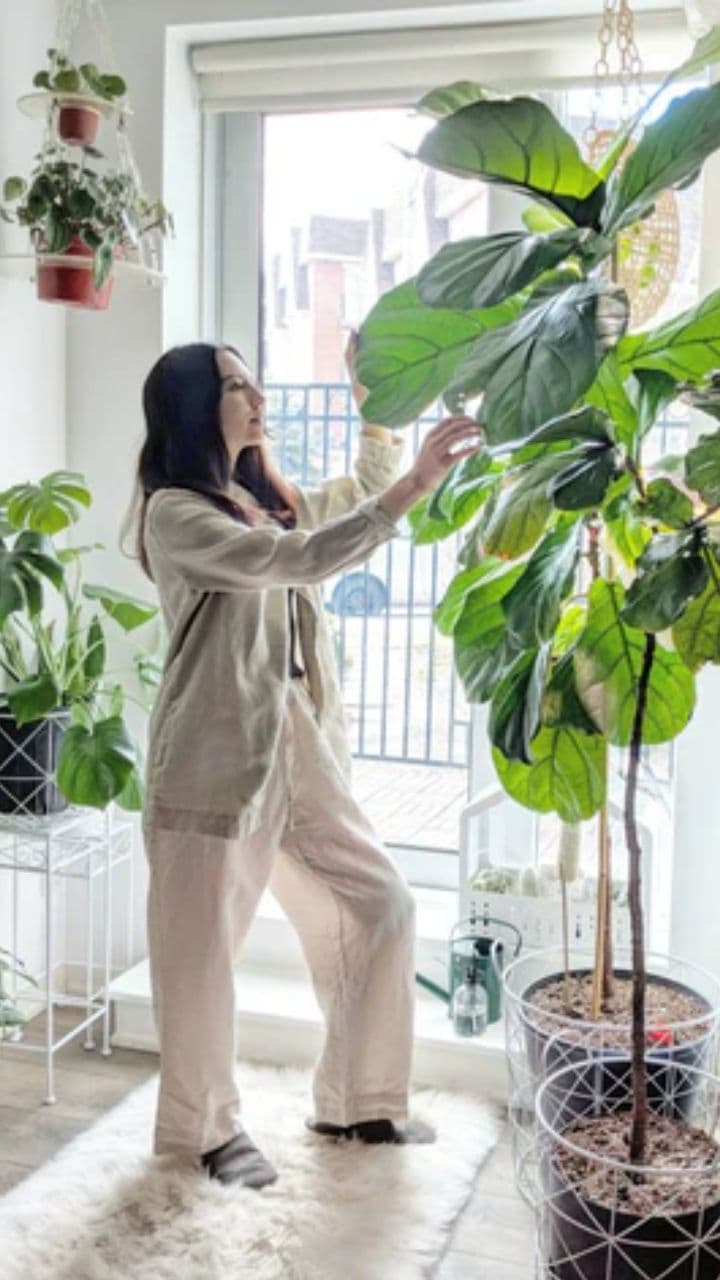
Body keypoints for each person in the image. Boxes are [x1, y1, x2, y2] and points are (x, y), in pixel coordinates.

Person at [125, 336, 483, 1189]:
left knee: (380, 904)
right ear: (192, 407)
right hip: (211, 757)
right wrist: (413, 488)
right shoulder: (175, 514)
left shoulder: (260, 500)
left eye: (255, 381)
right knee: (200, 958)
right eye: (235, 385)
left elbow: (342, 507)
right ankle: (204, 1134)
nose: (257, 396)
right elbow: (298, 558)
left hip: (294, 739)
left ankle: (361, 1099)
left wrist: (376, 416)